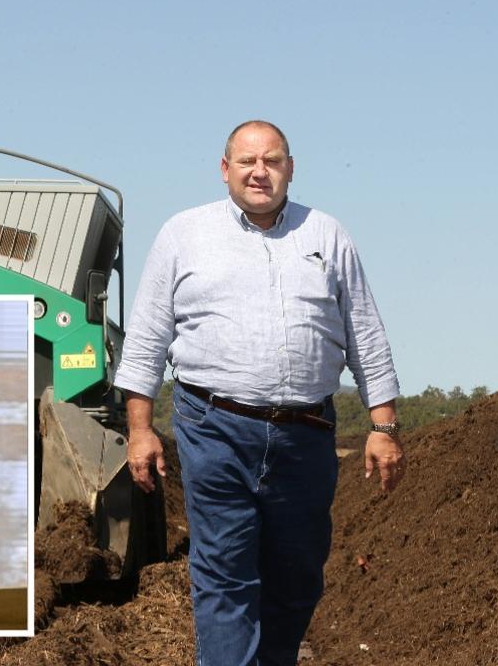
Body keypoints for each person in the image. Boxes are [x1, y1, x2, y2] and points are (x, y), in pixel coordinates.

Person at [114, 120, 406, 666]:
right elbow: (149, 333)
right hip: (214, 429)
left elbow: (364, 330)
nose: (260, 171)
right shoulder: (184, 234)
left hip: (306, 436)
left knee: (297, 576)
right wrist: (139, 428)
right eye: (248, 161)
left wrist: (383, 425)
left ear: (290, 169)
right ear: (225, 170)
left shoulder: (326, 236)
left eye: (272, 161)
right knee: (225, 576)